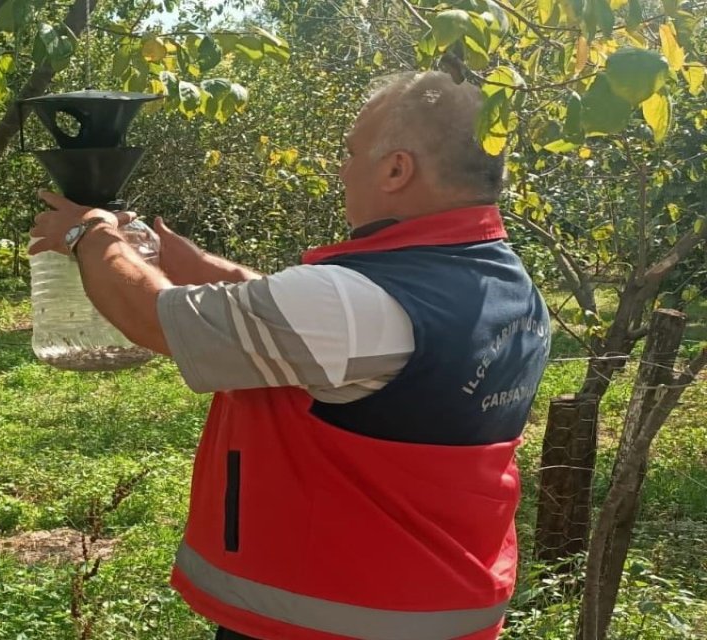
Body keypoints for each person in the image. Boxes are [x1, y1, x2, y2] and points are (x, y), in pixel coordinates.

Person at [30, 71, 551, 640]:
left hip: (333, 618)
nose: (343, 170)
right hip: (441, 605)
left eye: (351, 154)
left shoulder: (354, 304)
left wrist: (90, 233)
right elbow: (323, 330)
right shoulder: (498, 279)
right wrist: (194, 265)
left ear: (397, 169)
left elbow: (151, 319)